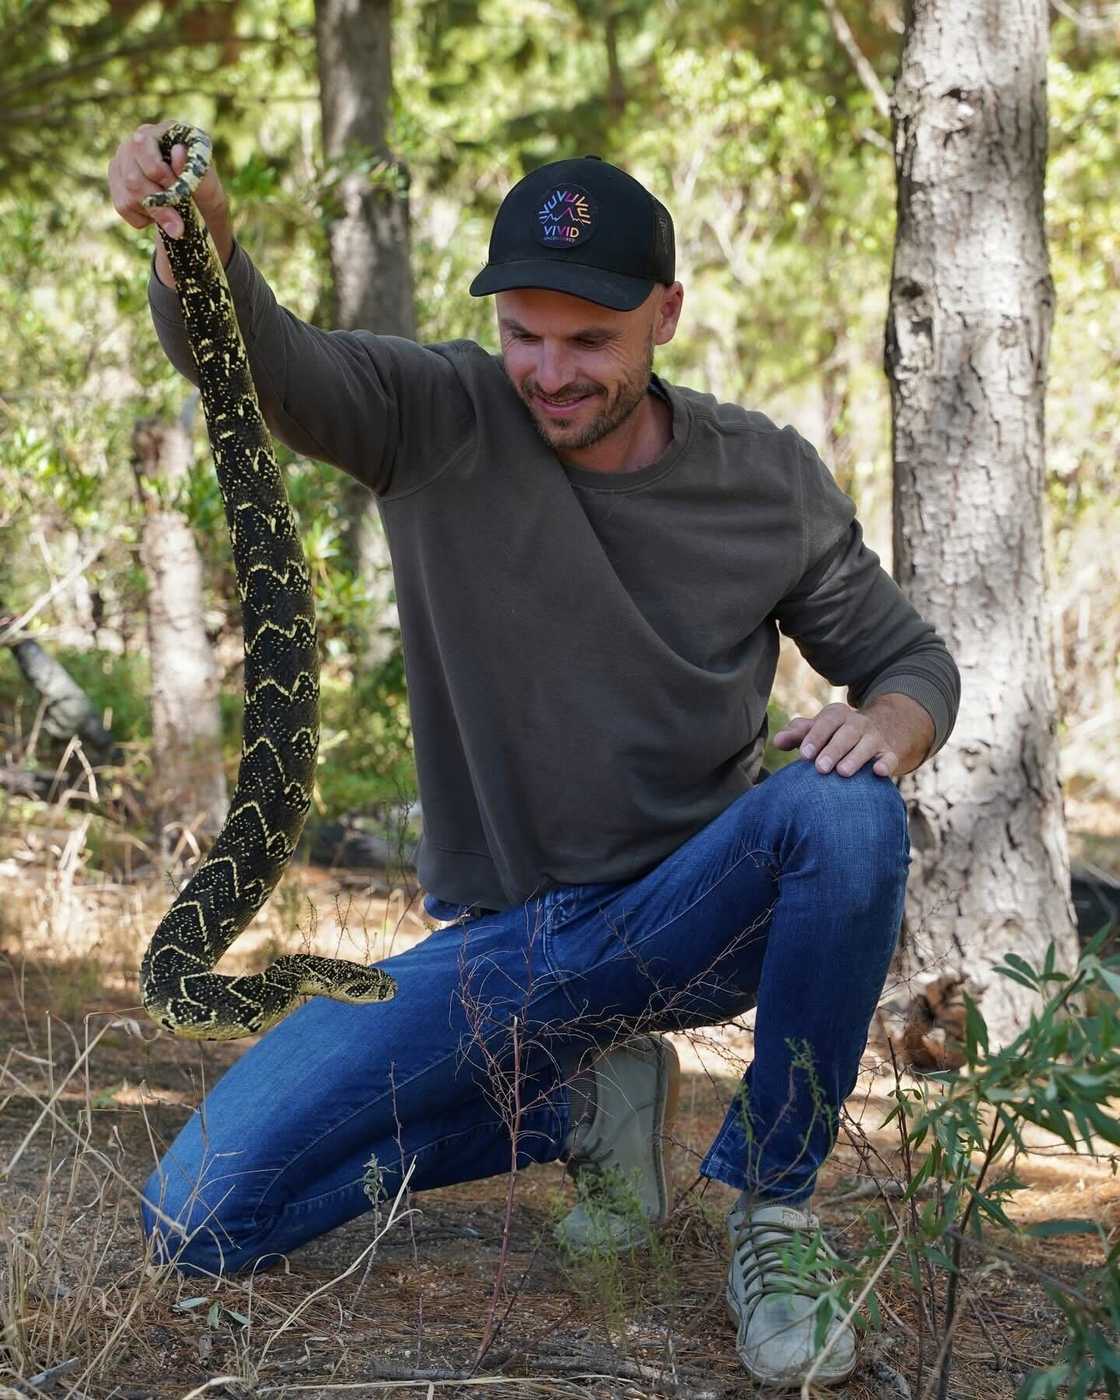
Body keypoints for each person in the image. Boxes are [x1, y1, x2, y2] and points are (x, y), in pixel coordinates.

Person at [110, 121, 960, 1388]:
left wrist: (889, 723)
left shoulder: (765, 480)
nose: (549, 372)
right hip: (502, 947)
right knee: (195, 1216)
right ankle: (573, 1106)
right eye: (523, 334)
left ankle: (774, 1211)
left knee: (847, 809)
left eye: (589, 341)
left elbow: (910, 662)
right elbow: (260, 359)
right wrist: (200, 239)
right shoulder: (436, 414)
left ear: (665, 314)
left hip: (689, 918)